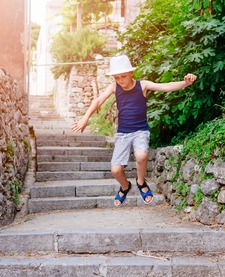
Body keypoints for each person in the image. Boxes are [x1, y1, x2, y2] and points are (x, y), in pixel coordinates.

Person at [71, 55, 197, 207]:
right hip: (122, 133)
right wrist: (85, 118)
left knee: (142, 155)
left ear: (131, 72)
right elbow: (97, 101)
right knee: (116, 170)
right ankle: (125, 187)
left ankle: (141, 182)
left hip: (140, 131)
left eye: (123, 76)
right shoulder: (114, 87)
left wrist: (185, 83)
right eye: (117, 77)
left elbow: (165, 86)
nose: (120, 80)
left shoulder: (142, 85)